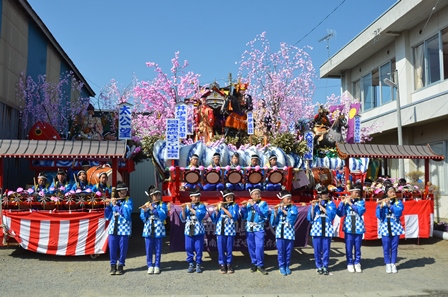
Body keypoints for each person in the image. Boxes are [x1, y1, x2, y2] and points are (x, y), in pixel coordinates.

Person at [105, 181, 133, 275]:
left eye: (124, 191)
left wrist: (116, 205)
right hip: (113, 227)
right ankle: (113, 266)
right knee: (112, 247)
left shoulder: (129, 201)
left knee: (123, 248)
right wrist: (108, 207)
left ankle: (121, 265)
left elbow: (126, 214)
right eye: (121, 192)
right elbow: (107, 216)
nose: (122, 194)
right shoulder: (114, 201)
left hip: (124, 228)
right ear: (117, 192)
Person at [307, 185, 336, 275]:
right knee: (317, 249)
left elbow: (331, 215)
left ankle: (325, 266)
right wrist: (312, 207)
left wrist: (321, 206)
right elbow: (310, 217)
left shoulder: (331, 203)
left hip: (326, 227)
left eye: (326, 193)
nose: (325, 195)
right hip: (317, 228)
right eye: (323, 194)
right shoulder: (315, 203)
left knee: (326, 248)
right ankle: (318, 266)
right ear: (319, 195)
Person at [337, 184, 366, 273]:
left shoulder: (361, 202)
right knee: (348, 247)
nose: (357, 194)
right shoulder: (346, 202)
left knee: (358, 246)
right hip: (349, 227)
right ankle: (349, 262)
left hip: (358, 227)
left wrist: (350, 203)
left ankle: (357, 262)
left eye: (358, 193)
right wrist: (342, 203)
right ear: (351, 193)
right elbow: (340, 214)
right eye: (356, 192)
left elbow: (361, 211)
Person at [376, 185, 404, 274]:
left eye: (393, 192)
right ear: (386, 193)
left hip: (395, 226)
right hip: (385, 226)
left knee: (394, 247)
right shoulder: (382, 202)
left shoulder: (398, 202)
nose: (393, 193)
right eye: (390, 192)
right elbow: (378, 216)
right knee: (386, 247)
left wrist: (389, 205)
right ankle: (388, 263)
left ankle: (393, 263)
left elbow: (398, 213)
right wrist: (380, 207)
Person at [241, 188, 269, 275]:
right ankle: (254, 263)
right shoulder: (249, 203)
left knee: (259, 246)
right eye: (255, 194)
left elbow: (263, 214)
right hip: (249, 227)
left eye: (259, 194)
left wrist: (254, 205)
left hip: (259, 227)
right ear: (251, 196)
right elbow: (244, 216)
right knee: (251, 246)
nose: (257, 195)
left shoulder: (263, 203)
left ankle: (260, 264)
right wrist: (244, 208)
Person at [140, 185, 168, 275]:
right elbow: (143, 218)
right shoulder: (147, 204)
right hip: (148, 227)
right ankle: (149, 265)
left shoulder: (162, 204)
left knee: (158, 248)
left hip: (158, 226)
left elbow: (163, 216)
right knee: (148, 248)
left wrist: (153, 209)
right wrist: (144, 212)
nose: (157, 196)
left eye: (158, 194)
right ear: (151, 196)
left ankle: (157, 265)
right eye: (155, 195)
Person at [211, 189, 239, 274]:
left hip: (229, 229)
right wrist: (216, 211)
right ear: (225, 198)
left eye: (230, 197)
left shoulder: (235, 205)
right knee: (221, 248)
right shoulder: (220, 206)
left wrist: (222, 207)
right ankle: (222, 264)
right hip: (220, 229)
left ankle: (229, 264)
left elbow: (233, 216)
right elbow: (215, 220)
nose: (229, 199)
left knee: (229, 248)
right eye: (227, 197)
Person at [270, 190, 298, 276]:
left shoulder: (293, 207)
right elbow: (273, 222)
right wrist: (275, 212)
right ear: (282, 199)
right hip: (280, 231)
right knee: (281, 250)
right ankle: (281, 266)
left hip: (289, 231)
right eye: (288, 199)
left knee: (288, 250)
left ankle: (287, 266)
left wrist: (284, 211)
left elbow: (293, 218)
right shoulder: (278, 207)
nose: (289, 200)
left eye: (290, 198)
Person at [179, 188, 207, 273]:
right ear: (191, 197)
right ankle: (190, 263)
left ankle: (198, 263)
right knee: (188, 247)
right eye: (195, 197)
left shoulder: (202, 206)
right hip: (189, 229)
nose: (197, 198)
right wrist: (183, 210)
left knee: (198, 247)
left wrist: (191, 209)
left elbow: (201, 216)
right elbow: (183, 219)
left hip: (199, 229)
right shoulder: (187, 205)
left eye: (198, 197)